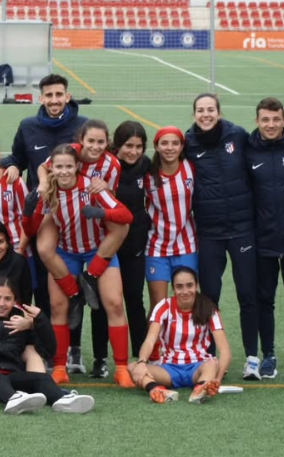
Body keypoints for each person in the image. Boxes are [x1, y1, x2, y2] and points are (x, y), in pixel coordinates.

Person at [34, 119, 126, 376]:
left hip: (93, 225)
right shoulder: (69, 153)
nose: (95, 146)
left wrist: (103, 191)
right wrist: (43, 181)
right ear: (81, 141)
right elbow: (45, 167)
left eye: (101, 141)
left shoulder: (112, 165)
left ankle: (121, 368)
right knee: (44, 251)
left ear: (107, 143)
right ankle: (60, 363)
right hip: (64, 223)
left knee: (114, 303)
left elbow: (112, 203)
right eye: (91, 141)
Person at [2, 74, 88, 325]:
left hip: (76, 216)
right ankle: (45, 342)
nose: (54, 100)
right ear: (41, 98)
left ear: (67, 96)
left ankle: (72, 347)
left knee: (74, 282)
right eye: (48, 95)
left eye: (59, 94)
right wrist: (8, 166)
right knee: (43, 281)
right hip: (42, 216)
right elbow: (16, 157)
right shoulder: (28, 126)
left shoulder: (83, 126)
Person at [0, 276, 95, 415]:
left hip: (11, 373)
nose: (1, 303)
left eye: (7, 299)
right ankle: (13, 399)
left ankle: (63, 400)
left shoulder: (22, 323)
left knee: (43, 378)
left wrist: (39, 321)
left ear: (14, 301)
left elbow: (49, 350)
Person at [184, 93, 259, 380]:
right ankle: (210, 355)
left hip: (241, 230)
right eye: (200, 110)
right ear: (194, 115)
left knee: (247, 294)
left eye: (210, 110)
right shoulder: (188, 143)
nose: (206, 114)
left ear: (219, 112)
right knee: (210, 296)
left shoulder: (237, 135)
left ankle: (252, 356)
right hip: (209, 232)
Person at [246, 97, 284, 380]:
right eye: (265, 120)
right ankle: (268, 354)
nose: (270, 125)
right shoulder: (248, 151)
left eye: (276, 119)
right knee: (265, 300)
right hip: (262, 241)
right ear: (258, 121)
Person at [91, 121, 151, 376]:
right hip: (107, 246)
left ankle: (141, 356)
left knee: (134, 300)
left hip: (135, 245)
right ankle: (100, 358)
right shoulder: (105, 167)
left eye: (139, 146)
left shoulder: (145, 165)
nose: (134, 152)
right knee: (103, 303)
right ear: (118, 144)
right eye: (129, 146)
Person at [128, 267, 231, 404]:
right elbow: (150, 340)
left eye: (189, 285)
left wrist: (217, 380)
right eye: (179, 287)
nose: (185, 291)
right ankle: (158, 390)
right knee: (132, 367)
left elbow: (225, 350)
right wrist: (142, 362)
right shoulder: (163, 306)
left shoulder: (208, 308)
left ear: (196, 286)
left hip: (198, 367)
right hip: (169, 370)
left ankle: (201, 389)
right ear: (173, 289)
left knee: (212, 363)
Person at [143, 126, 198, 364]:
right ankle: (155, 351)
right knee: (159, 304)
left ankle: (187, 350)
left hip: (187, 245)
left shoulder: (190, 168)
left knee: (187, 300)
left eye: (175, 143)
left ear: (182, 146)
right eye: (164, 143)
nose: (170, 148)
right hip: (156, 246)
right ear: (156, 146)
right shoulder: (148, 174)